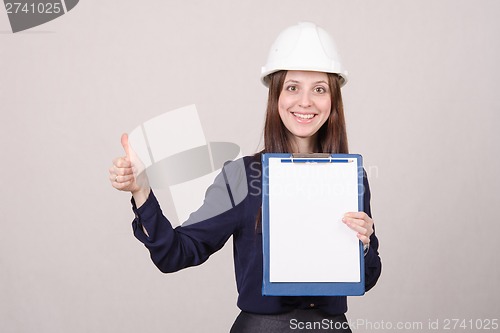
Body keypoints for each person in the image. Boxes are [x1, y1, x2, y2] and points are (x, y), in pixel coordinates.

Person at [109, 22, 381, 332]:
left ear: (333, 100)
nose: (305, 101)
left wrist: (363, 245)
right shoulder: (242, 177)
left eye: (319, 89)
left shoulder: (350, 177)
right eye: (293, 87)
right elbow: (174, 254)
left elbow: (368, 277)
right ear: (276, 95)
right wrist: (142, 191)